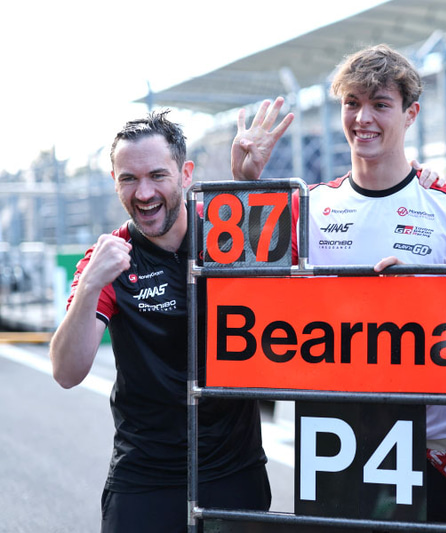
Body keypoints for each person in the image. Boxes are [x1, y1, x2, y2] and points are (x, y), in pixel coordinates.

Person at [233, 44, 446, 525]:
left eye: (380, 104)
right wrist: (247, 186)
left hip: (431, 438)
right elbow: (249, 299)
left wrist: (423, 299)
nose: (363, 118)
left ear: (411, 114)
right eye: (352, 103)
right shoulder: (308, 205)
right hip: (333, 433)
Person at [49, 108, 291, 532]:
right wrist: (89, 285)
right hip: (145, 476)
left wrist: (247, 186)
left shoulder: (228, 238)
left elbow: (290, 292)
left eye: (157, 175)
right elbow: (67, 373)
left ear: (186, 174)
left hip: (233, 470)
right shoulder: (108, 259)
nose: (144, 193)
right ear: (114, 181)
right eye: (129, 179)